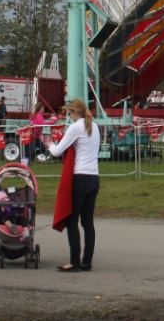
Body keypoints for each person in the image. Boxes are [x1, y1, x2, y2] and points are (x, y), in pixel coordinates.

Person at [46, 98, 100, 272]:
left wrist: (49, 144)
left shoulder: (76, 127)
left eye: (69, 114)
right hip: (94, 177)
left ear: (75, 112)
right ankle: (87, 261)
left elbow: (57, 151)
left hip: (80, 177)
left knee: (72, 220)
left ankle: (74, 261)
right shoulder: (95, 126)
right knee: (87, 222)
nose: (69, 117)